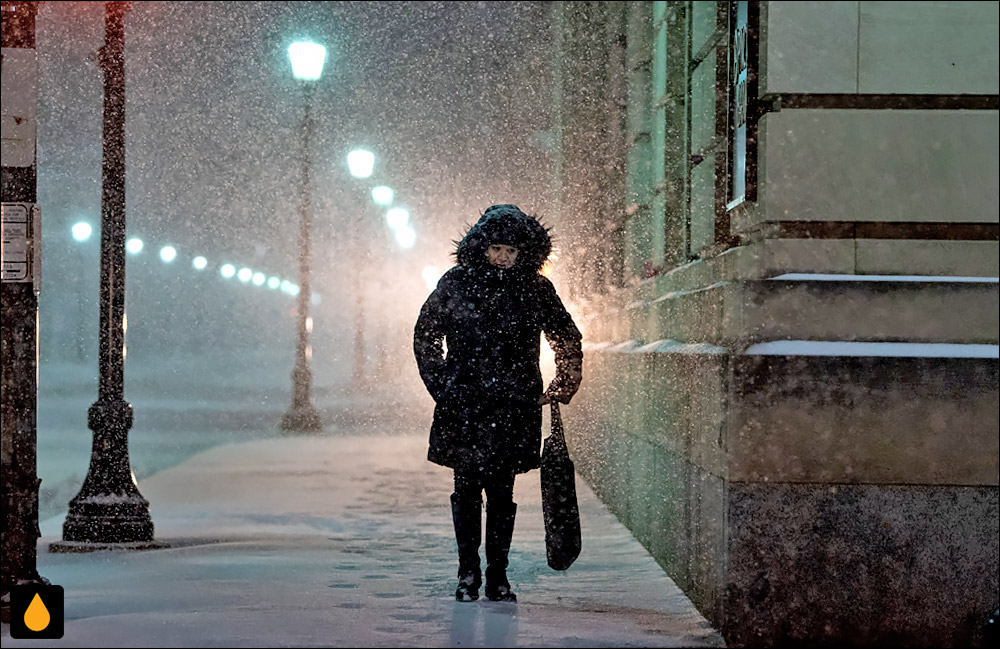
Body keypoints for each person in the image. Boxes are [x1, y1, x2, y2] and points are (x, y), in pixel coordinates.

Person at [413, 204, 583, 602]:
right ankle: (468, 573)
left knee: (502, 494)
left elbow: (565, 333)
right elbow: (426, 335)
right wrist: (443, 385)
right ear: (482, 248)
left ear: (524, 252)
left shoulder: (536, 288)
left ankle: (498, 575)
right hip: (466, 405)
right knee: (467, 491)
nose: (504, 257)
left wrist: (565, 379)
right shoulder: (456, 284)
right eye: (496, 249)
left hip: (513, 406)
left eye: (511, 250)